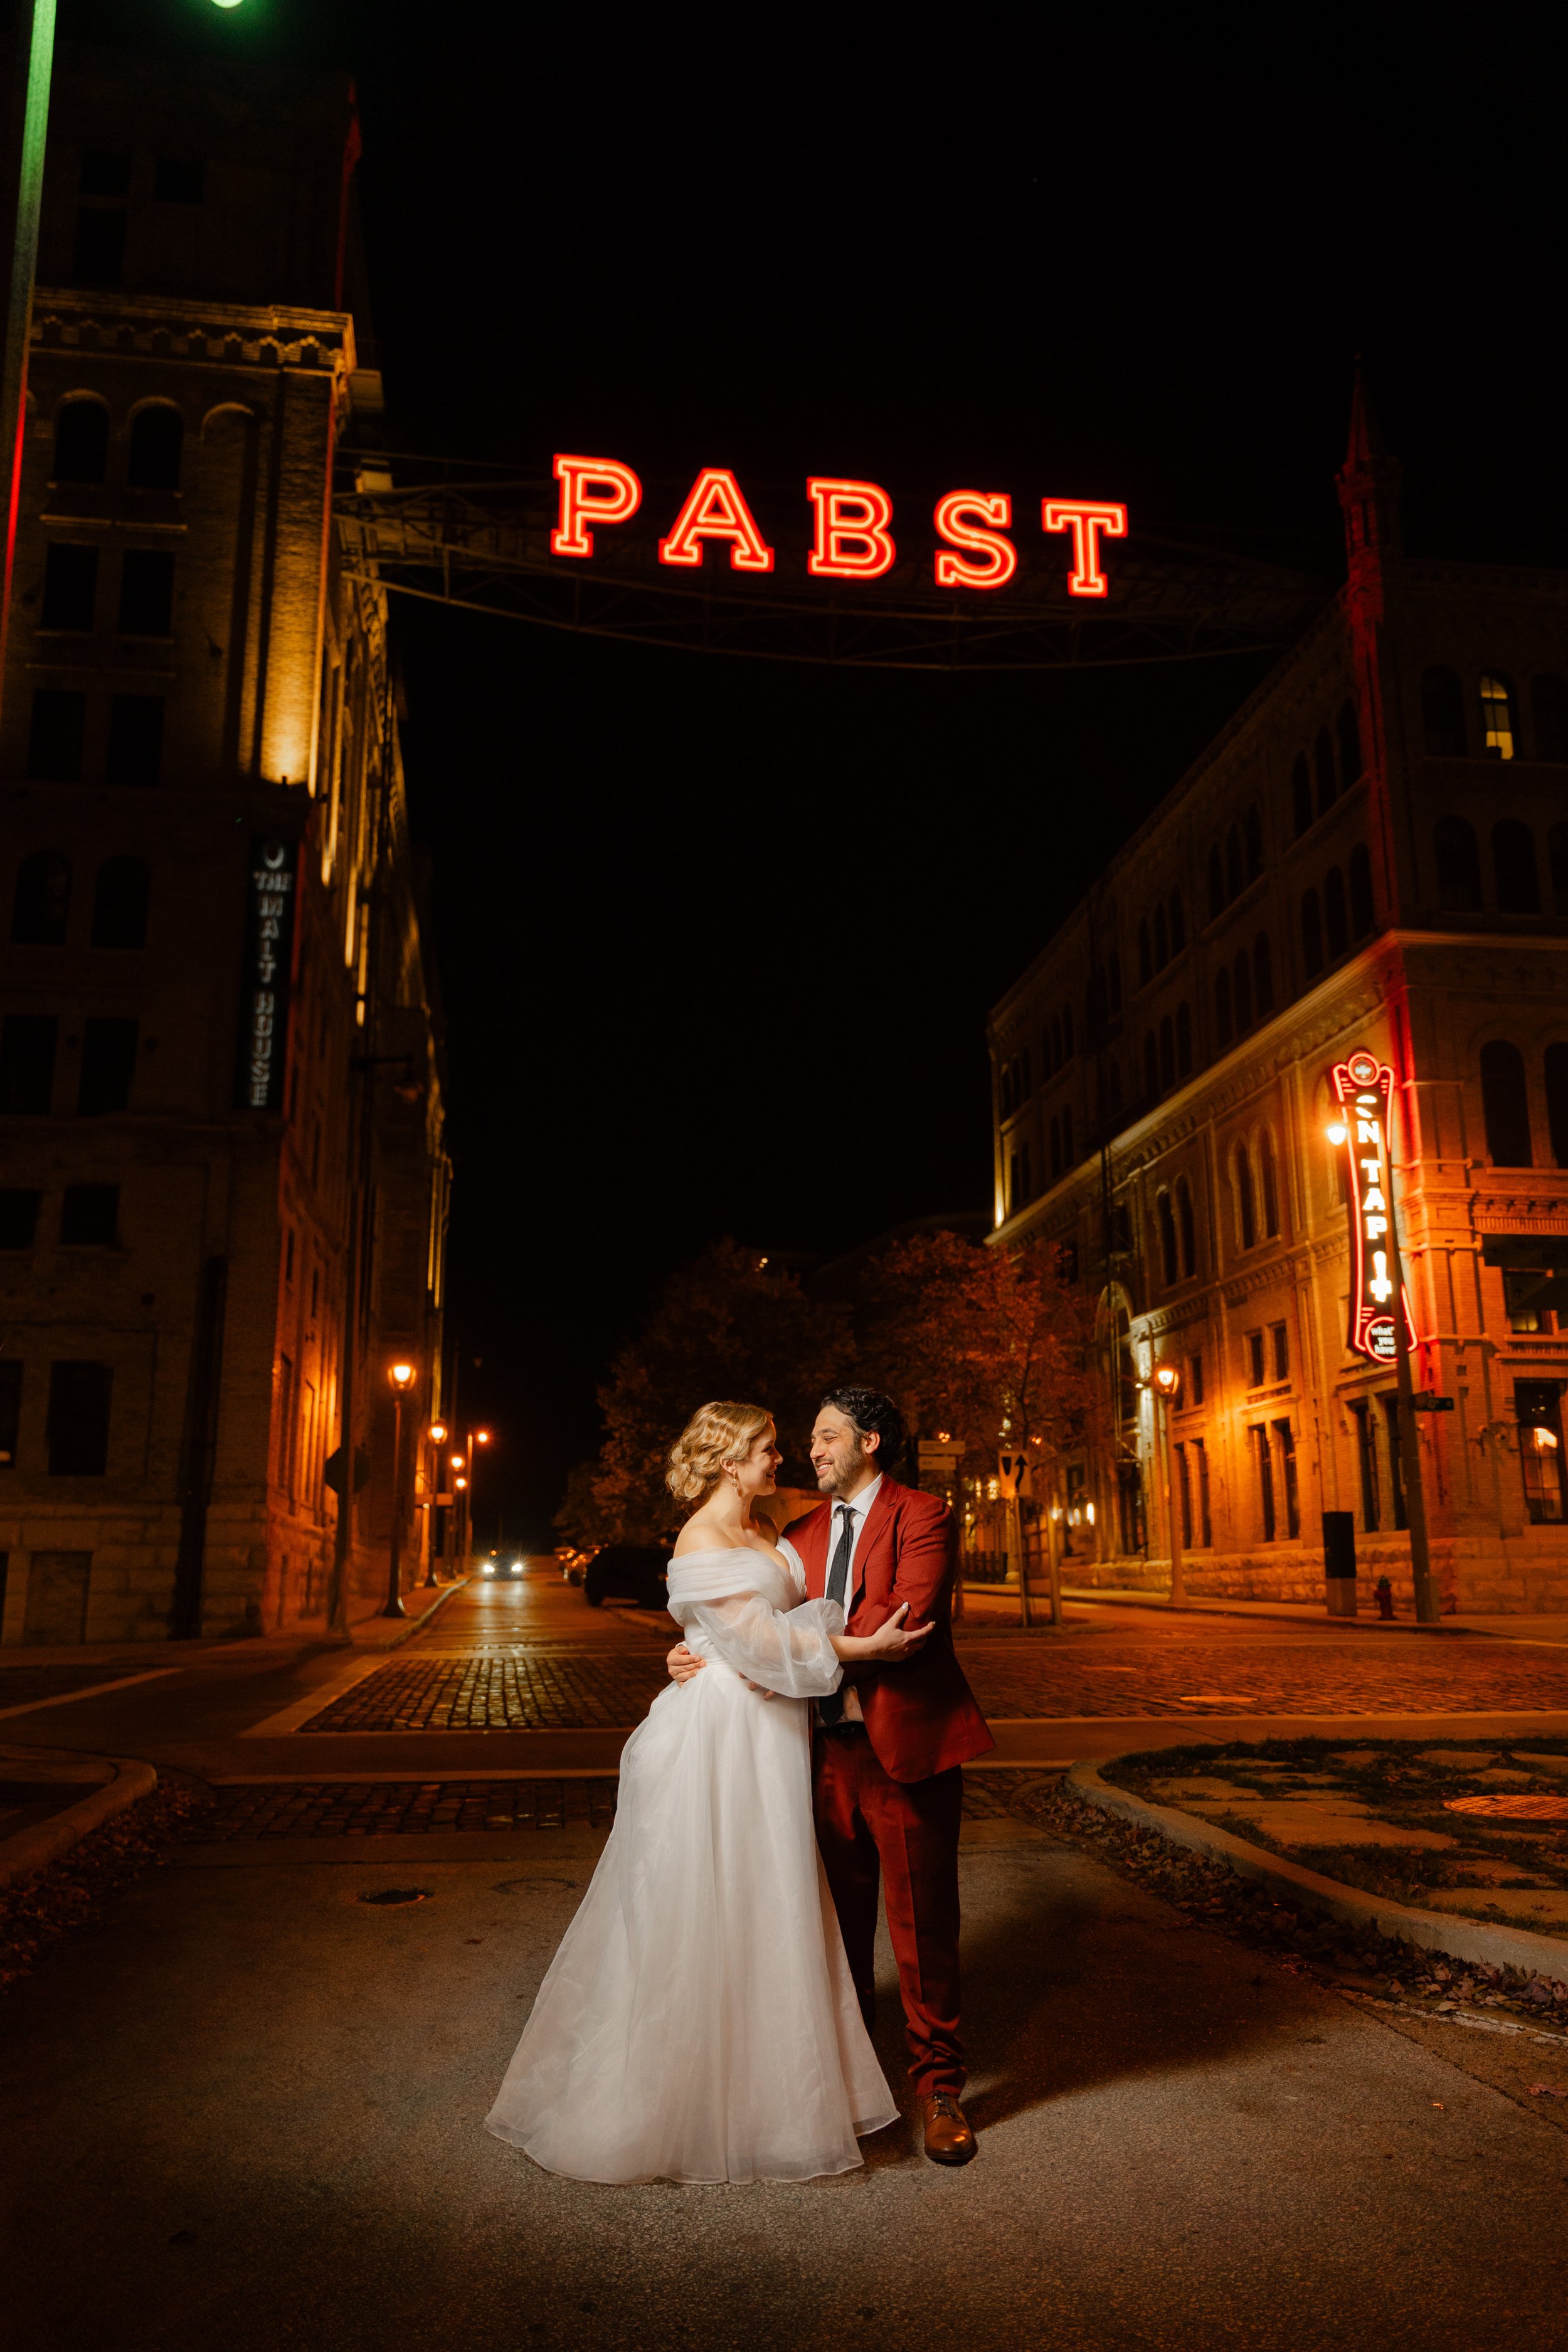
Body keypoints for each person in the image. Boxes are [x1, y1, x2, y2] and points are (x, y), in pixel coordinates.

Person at [484, 1399, 933, 2185]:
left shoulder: (772, 1530)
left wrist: (708, 1646)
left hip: (770, 1725)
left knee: (771, 1896)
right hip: (722, 1732)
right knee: (706, 1899)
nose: (780, 1459)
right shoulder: (699, 1536)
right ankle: (676, 2103)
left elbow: (755, 1629)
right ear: (728, 1461)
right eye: (764, 1448)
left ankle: (775, 2096)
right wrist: (867, 1648)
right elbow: (756, 1641)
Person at [667, 1386, 993, 2164]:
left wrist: (764, 1646)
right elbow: (740, 1610)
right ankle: (855, 2088)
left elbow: (906, 1619)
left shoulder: (922, 1513)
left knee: (923, 1930)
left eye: (824, 1437)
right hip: (812, 1757)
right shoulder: (795, 1532)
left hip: (902, 1753)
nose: (808, 1452)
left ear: (870, 1441)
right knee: (827, 1934)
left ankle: (939, 2090)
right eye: (803, 1440)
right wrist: (707, 1652)